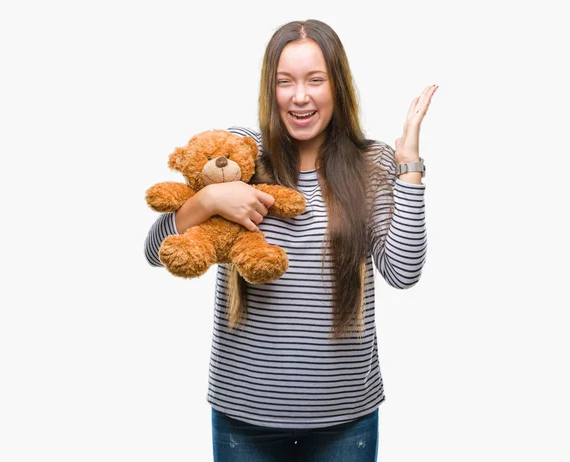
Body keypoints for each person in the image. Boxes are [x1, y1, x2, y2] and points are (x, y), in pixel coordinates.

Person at [145, 18, 437, 462]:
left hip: (345, 418)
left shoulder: (373, 161)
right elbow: (154, 250)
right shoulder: (239, 154)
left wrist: (410, 166)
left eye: (315, 80)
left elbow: (403, 271)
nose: (300, 96)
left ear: (337, 86)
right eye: (285, 82)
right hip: (244, 415)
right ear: (271, 89)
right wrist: (208, 199)